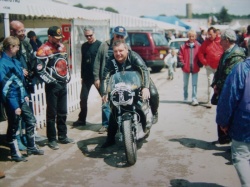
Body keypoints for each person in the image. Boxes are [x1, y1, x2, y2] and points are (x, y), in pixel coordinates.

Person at [100, 40, 159, 148]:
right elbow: (105, 76)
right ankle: (110, 138)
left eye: (121, 50)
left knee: (154, 93)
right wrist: (104, 92)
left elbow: (144, 70)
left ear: (126, 50)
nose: (118, 54)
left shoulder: (133, 57)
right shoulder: (111, 60)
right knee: (114, 109)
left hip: (139, 81)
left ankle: (154, 112)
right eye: (115, 51)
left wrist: (145, 87)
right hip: (121, 85)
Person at [0, 36, 44, 162]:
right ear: (10, 47)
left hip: (21, 98)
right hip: (12, 100)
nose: (19, 48)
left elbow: (21, 82)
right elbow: (5, 88)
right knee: (13, 127)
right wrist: (15, 106)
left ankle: (31, 147)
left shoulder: (15, 61)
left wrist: (25, 94)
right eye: (17, 46)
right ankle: (15, 154)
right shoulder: (3, 64)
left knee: (31, 120)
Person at [35, 26, 74, 150]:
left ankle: (63, 136)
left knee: (63, 112)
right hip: (52, 86)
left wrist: (67, 75)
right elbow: (39, 70)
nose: (58, 40)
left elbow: (65, 63)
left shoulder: (62, 47)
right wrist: (51, 82)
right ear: (49, 37)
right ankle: (52, 139)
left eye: (59, 38)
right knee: (52, 113)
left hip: (62, 83)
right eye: (56, 38)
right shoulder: (42, 50)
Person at [216, 56, 250, 187]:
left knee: (241, 157)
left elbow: (229, 97)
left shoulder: (241, 69)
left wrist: (223, 122)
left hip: (244, 122)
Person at [211, 29, 246, 144]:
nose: (219, 42)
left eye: (221, 40)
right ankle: (223, 138)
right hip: (222, 88)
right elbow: (219, 70)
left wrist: (218, 85)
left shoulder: (236, 55)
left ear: (227, 40)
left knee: (229, 113)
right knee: (222, 112)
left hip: (229, 90)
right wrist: (215, 84)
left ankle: (229, 140)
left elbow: (229, 75)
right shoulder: (227, 52)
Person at [93, 26, 128, 133]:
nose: (119, 38)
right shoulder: (104, 45)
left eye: (122, 36)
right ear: (113, 35)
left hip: (121, 78)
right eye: (117, 35)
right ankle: (106, 124)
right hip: (106, 78)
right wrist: (96, 78)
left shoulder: (126, 47)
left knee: (123, 100)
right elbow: (97, 61)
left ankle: (123, 124)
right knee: (106, 101)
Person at [10, 21, 37, 151]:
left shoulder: (26, 43)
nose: (22, 33)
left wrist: (32, 71)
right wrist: (20, 70)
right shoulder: (8, 45)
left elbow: (32, 59)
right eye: (19, 31)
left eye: (23, 30)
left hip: (26, 83)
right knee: (17, 115)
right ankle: (18, 138)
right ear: (12, 31)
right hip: (14, 86)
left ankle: (27, 136)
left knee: (27, 113)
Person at [72, 26, 102, 127]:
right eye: (86, 36)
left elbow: (102, 62)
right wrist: (82, 76)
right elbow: (83, 62)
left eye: (90, 35)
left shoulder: (100, 45)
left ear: (94, 34)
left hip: (97, 76)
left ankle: (107, 122)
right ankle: (82, 119)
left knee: (105, 98)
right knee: (83, 98)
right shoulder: (84, 46)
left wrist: (99, 77)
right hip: (87, 76)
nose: (89, 38)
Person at [198, 26, 223, 108]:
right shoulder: (206, 42)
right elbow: (200, 53)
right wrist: (205, 62)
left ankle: (221, 100)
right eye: (208, 35)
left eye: (211, 34)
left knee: (220, 84)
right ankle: (209, 101)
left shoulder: (221, 41)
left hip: (219, 67)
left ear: (216, 33)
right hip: (209, 67)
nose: (209, 36)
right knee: (210, 83)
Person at [178, 30, 201, 106]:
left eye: (193, 36)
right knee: (185, 84)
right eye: (190, 36)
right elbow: (180, 55)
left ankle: (194, 98)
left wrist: (200, 63)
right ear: (188, 36)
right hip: (186, 68)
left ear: (195, 37)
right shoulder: (183, 46)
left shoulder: (199, 45)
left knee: (194, 84)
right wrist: (182, 64)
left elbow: (201, 55)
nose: (191, 38)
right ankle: (185, 96)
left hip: (195, 68)